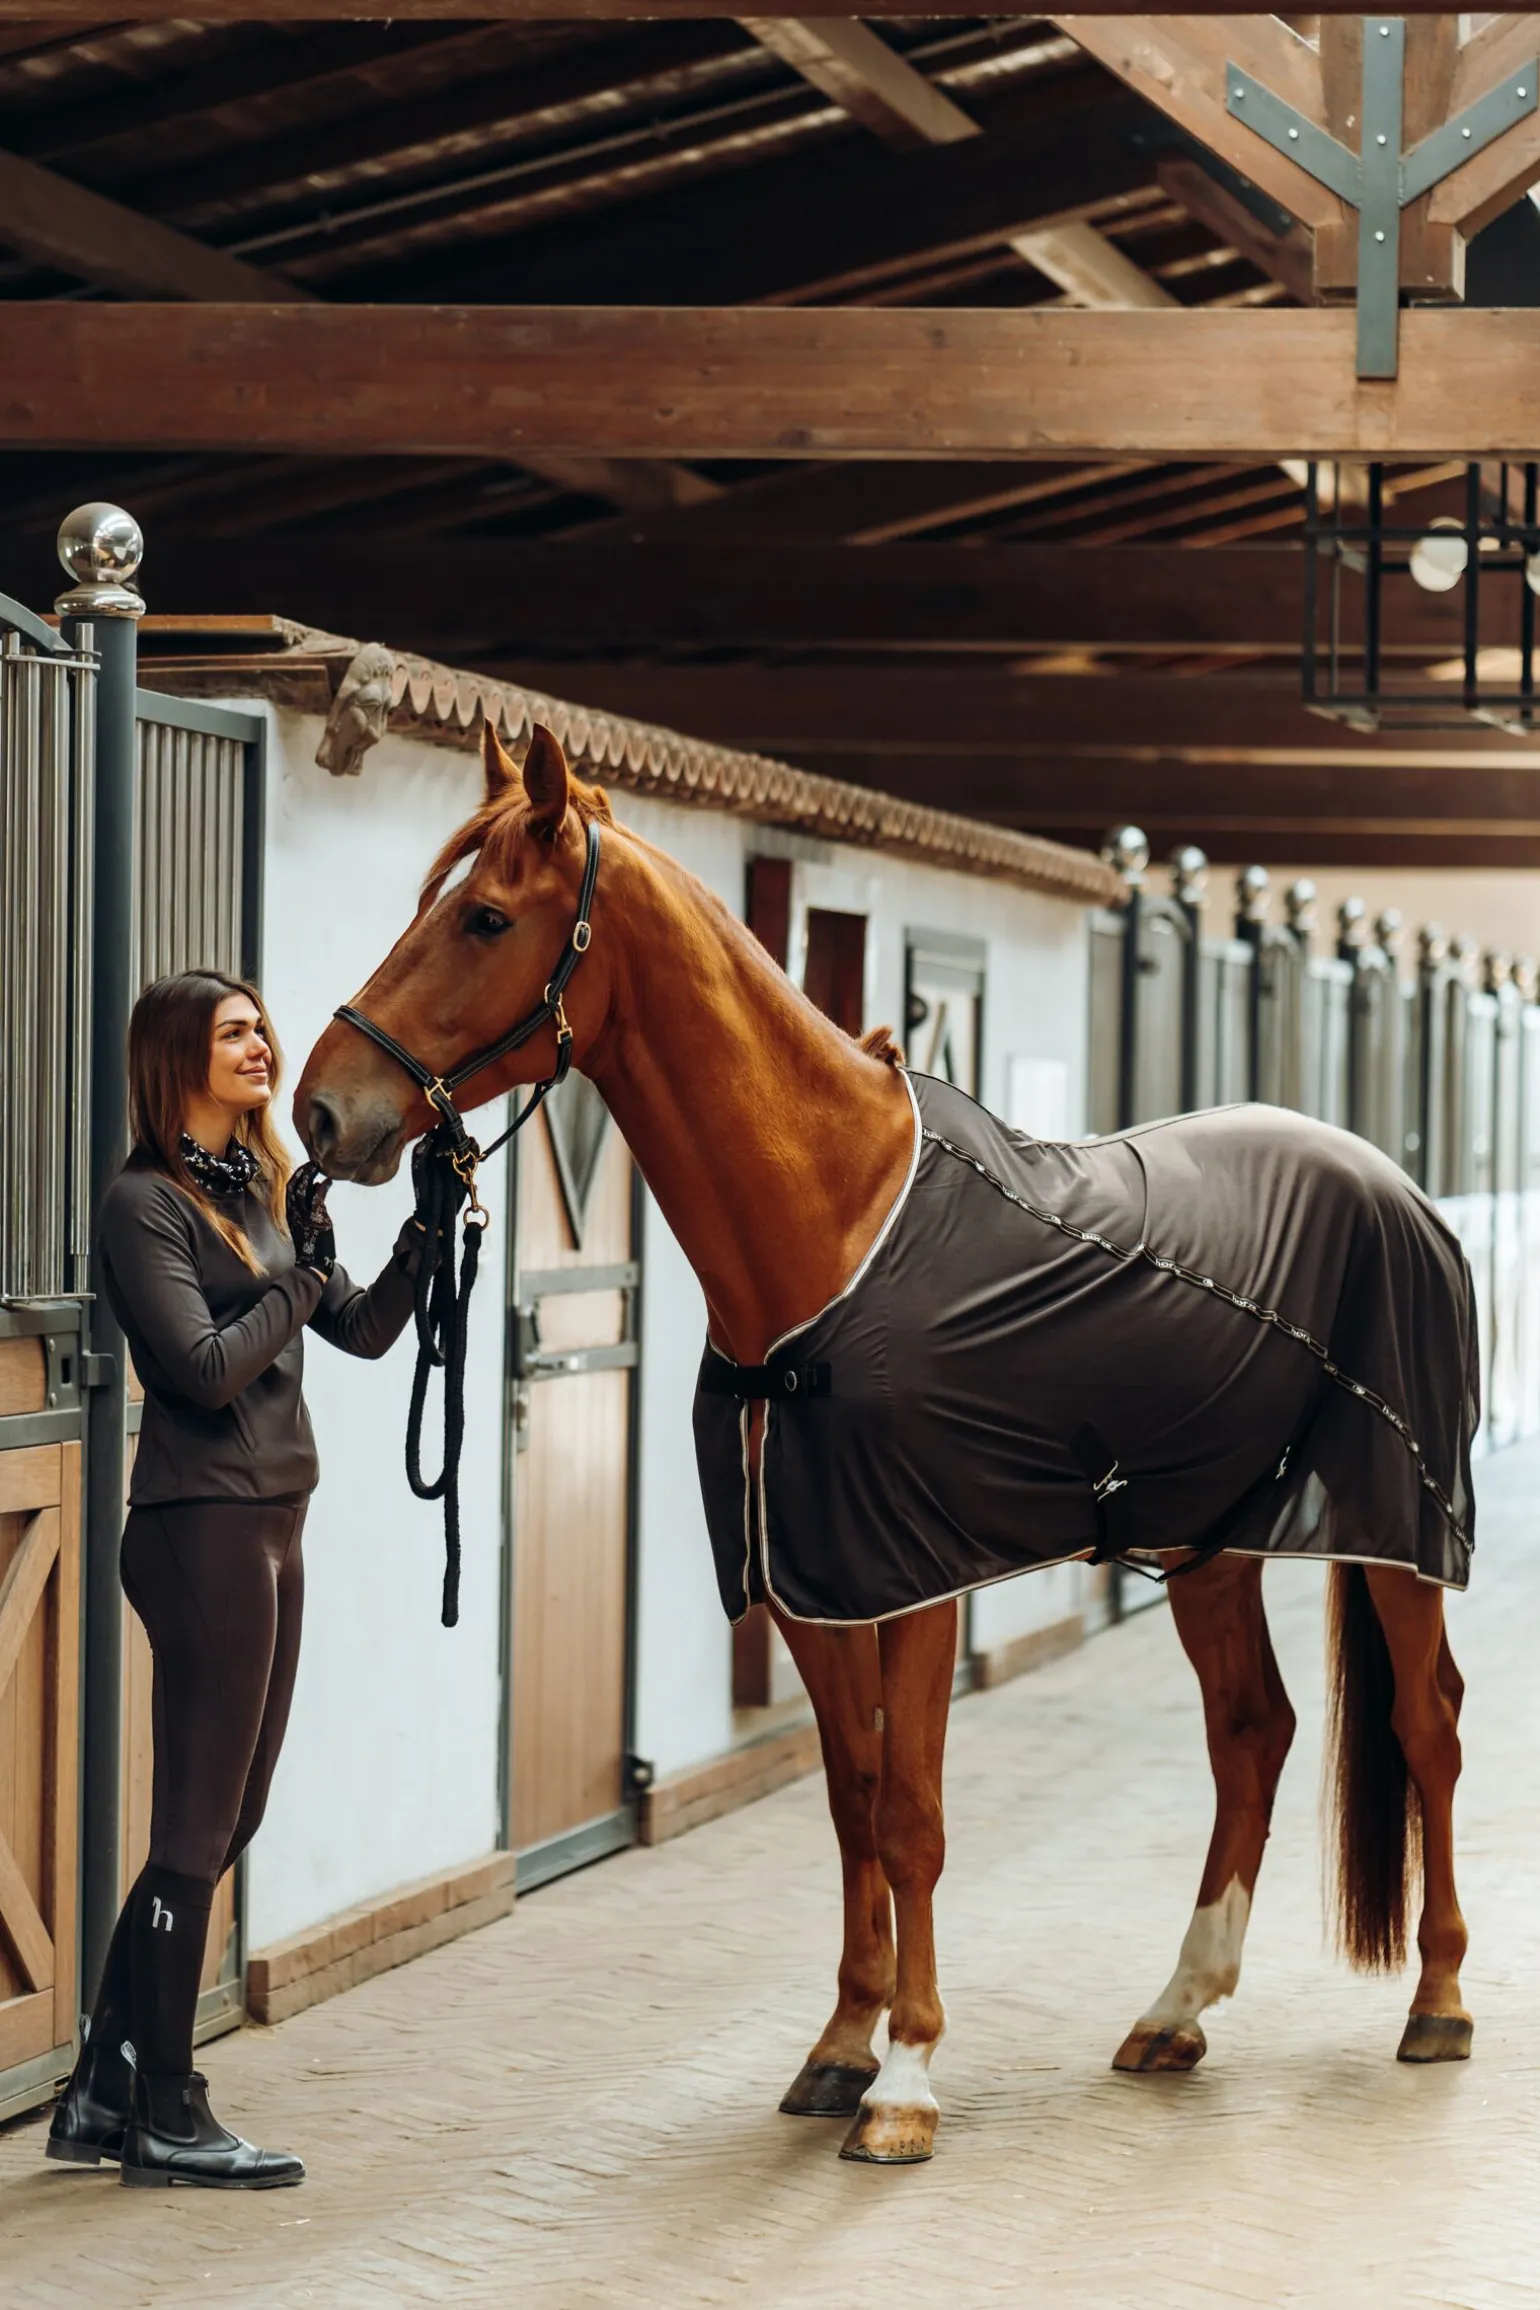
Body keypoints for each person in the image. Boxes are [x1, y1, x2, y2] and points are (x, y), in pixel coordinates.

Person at [47, 970, 421, 2190]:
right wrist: (295, 1284)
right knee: (197, 1829)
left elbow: (356, 1331)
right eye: (235, 1033)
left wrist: (424, 1235)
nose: (264, 1046)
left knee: (230, 1821)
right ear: (177, 1060)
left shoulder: (257, 1193)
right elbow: (203, 1370)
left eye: (261, 1027)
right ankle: (166, 2108)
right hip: (197, 1530)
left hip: (274, 1521)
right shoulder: (141, 1204)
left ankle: (104, 2090)